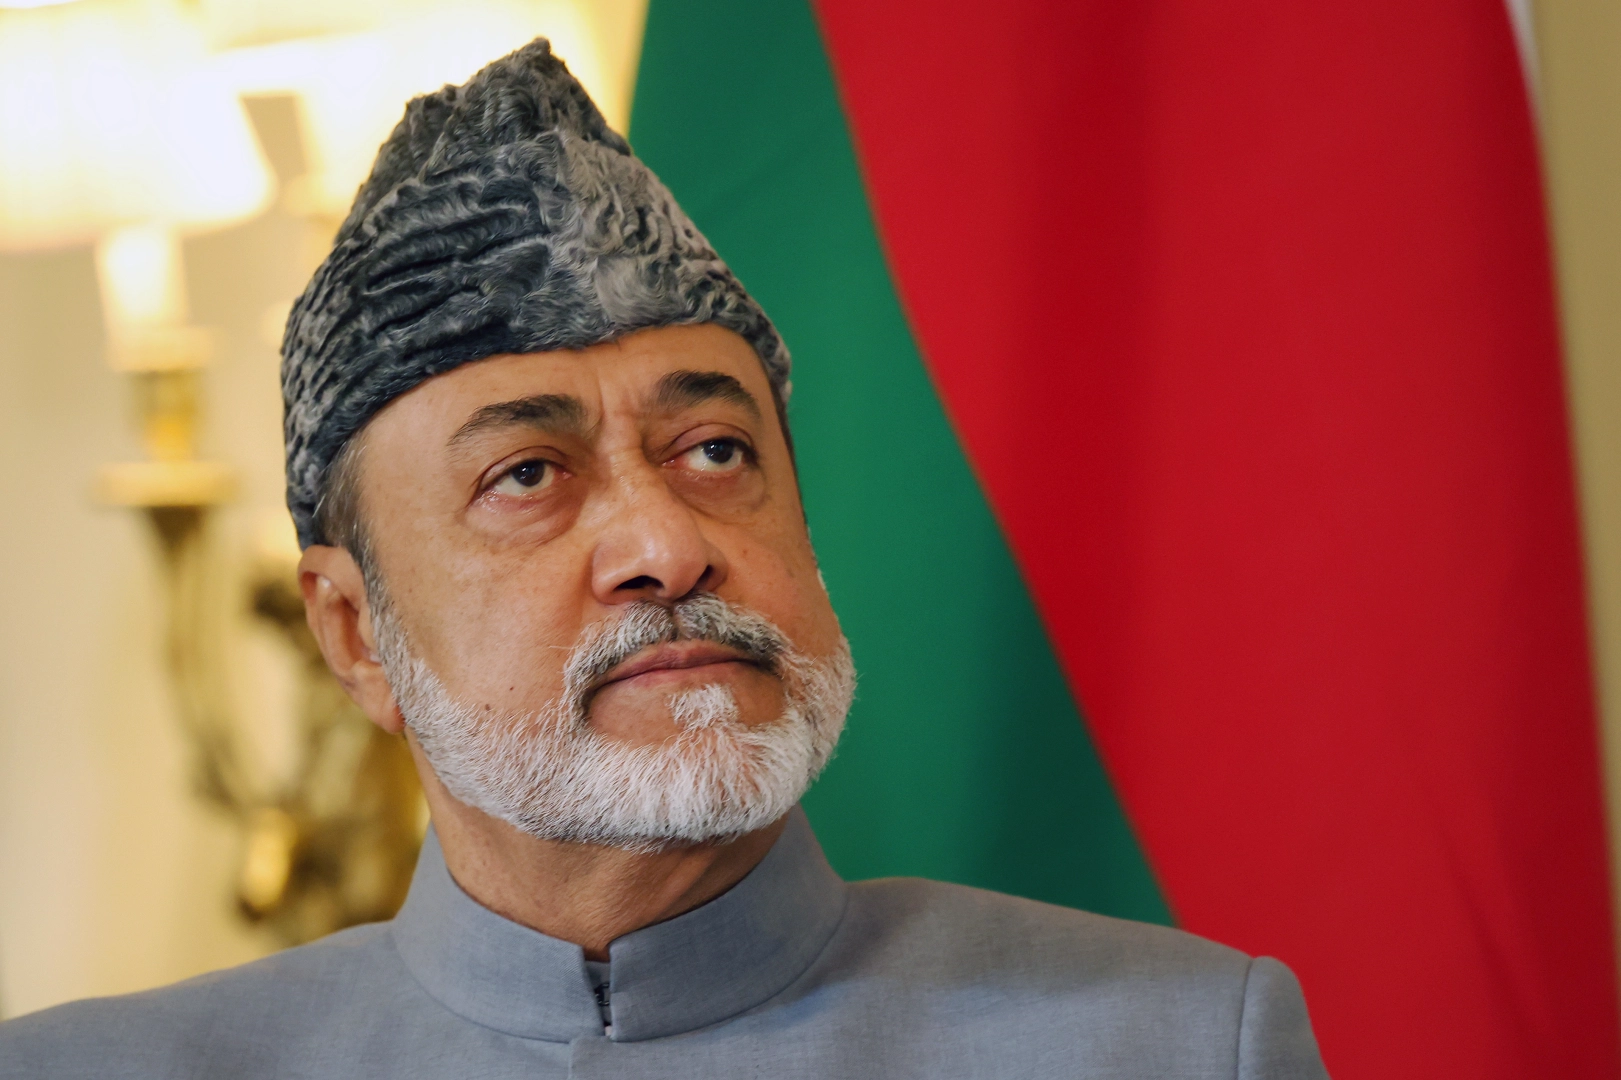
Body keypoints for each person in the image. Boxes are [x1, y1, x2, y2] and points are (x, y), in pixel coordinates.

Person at [0, 39, 1329, 1079]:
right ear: (354, 634)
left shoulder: (1176, 1043)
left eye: (714, 451)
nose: (667, 544)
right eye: (528, 475)